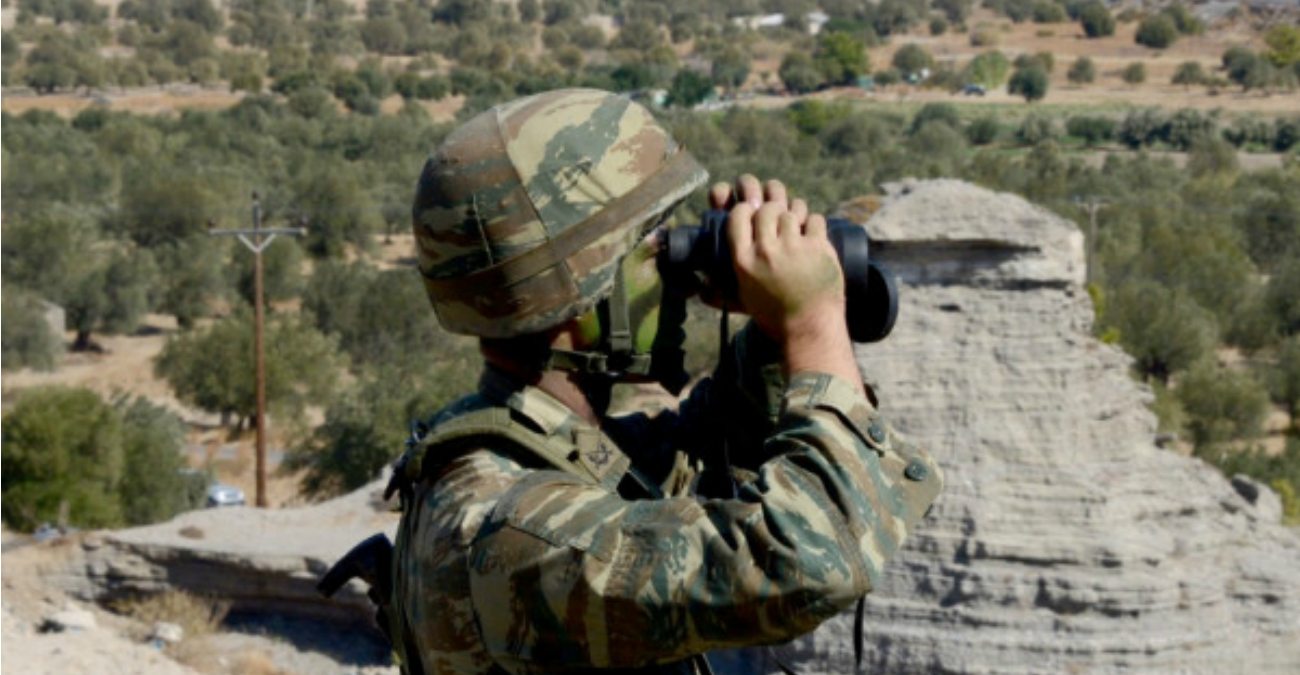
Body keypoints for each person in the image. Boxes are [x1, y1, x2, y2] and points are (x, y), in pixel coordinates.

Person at [385, 88, 943, 675]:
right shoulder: (511, 530)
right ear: (585, 290)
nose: (682, 275)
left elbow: (704, 461)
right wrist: (813, 326)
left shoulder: (546, 449)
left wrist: (773, 335)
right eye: (656, 243)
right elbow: (806, 559)